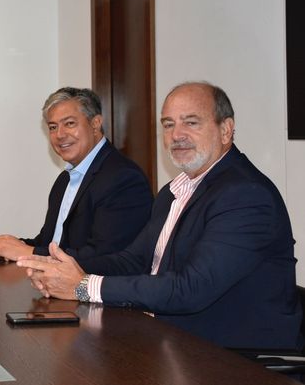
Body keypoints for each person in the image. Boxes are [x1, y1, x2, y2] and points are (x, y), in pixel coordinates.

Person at [17, 82, 302, 350]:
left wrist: (83, 286)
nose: (176, 135)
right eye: (168, 125)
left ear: (226, 130)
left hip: (233, 355)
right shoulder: (173, 191)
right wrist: (60, 271)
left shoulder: (246, 195)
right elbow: (133, 260)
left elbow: (191, 289)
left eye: (190, 122)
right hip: (173, 336)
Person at [0, 87, 152, 262]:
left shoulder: (123, 178)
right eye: (52, 127)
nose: (59, 135)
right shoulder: (65, 179)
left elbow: (105, 256)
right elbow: (50, 243)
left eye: (69, 124)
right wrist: (9, 247)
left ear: (95, 124)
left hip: (94, 290)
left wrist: (27, 252)